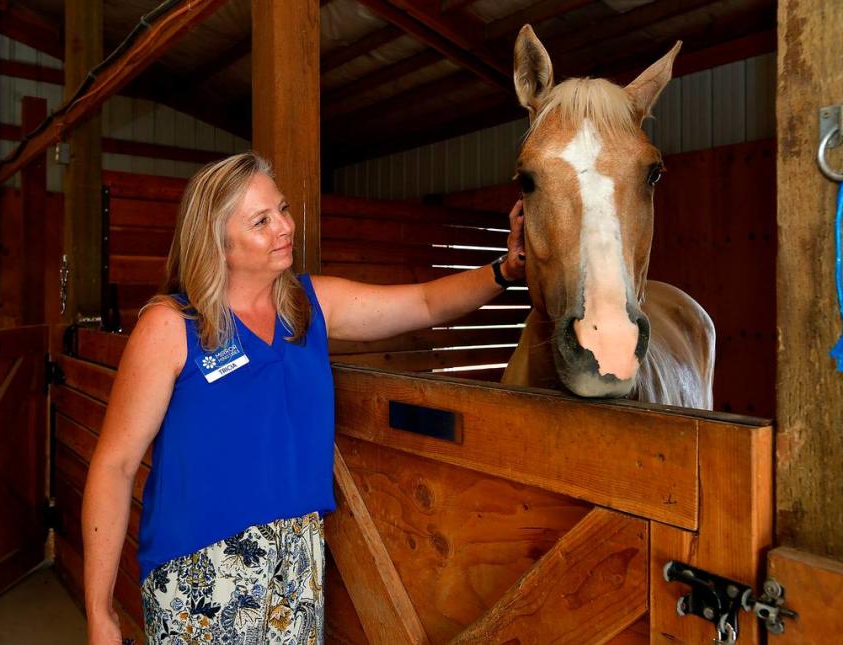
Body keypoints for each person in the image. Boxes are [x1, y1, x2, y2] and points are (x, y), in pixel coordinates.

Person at [82, 151, 525, 644]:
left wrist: (504, 269)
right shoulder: (170, 327)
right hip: (200, 574)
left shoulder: (309, 305)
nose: (284, 227)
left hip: (297, 564)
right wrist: (100, 611)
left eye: (283, 210)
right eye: (261, 221)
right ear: (219, 243)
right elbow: (115, 465)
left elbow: (423, 302)